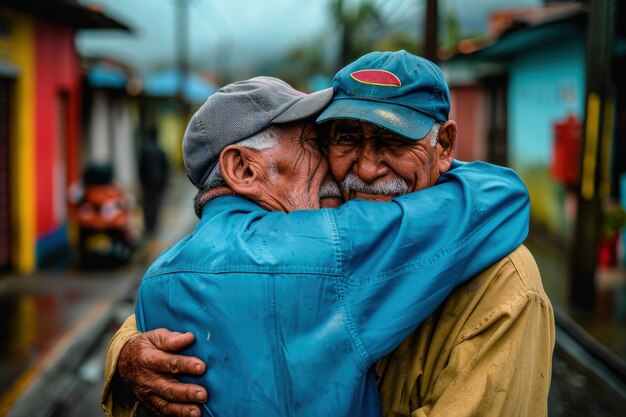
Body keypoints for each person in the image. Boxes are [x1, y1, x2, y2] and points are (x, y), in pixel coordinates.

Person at [101, 51, 551, 417]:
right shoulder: (320, 243)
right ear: (241, 169)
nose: (367, 169)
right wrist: (127, 356)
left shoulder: (504, 283)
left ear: (445, 146)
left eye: (395, 142)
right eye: (343, 140)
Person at [139, 126, 169, 235]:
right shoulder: (160, 150)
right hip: (158, 181)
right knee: (156, 203)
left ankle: (149, 226)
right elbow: (165, 168)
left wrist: (141, 180)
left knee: (147, 204)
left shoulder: (145, 150)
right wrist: (165, 182)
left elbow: (141, 167)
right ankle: (154, 225)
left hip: (147, 182)